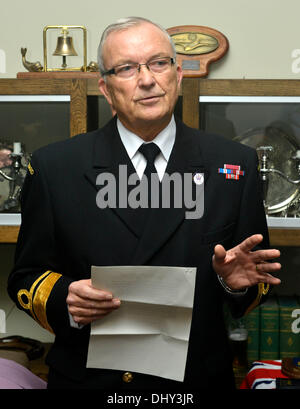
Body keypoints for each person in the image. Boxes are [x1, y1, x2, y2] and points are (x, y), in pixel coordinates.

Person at [7, 16, 281, 390]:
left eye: (158, 62)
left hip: (194, 381)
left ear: (178, 74)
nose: (147, 79)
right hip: (90, 380)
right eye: (126, 68)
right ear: (105, 88)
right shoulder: (56, 168)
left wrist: (231, 283)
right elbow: (26, 276)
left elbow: (256, 277)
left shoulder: (233, 165)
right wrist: (63, 298)